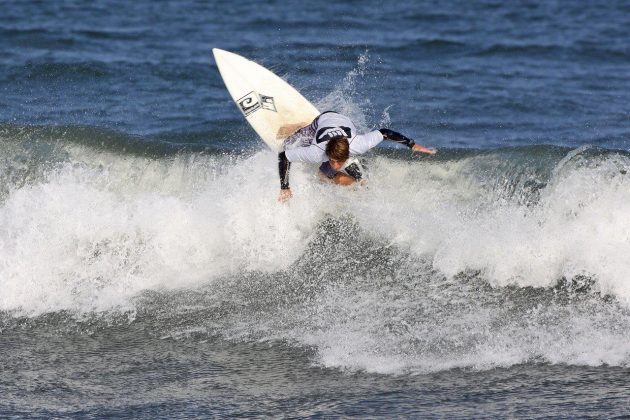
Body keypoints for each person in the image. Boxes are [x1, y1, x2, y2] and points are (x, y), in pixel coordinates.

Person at [278, 111, 436, 201]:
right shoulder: (315, 152)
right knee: (292, 141)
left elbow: (385, 133)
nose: (336, 165)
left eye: (340, 162)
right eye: (333, 161)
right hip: (322, 120)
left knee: (330, 174)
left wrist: (412, 145)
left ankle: (360, 183)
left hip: (343, 120)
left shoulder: (358, 144)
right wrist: (284, 187)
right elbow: (284, 156)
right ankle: (299, 126)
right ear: (327, 154)